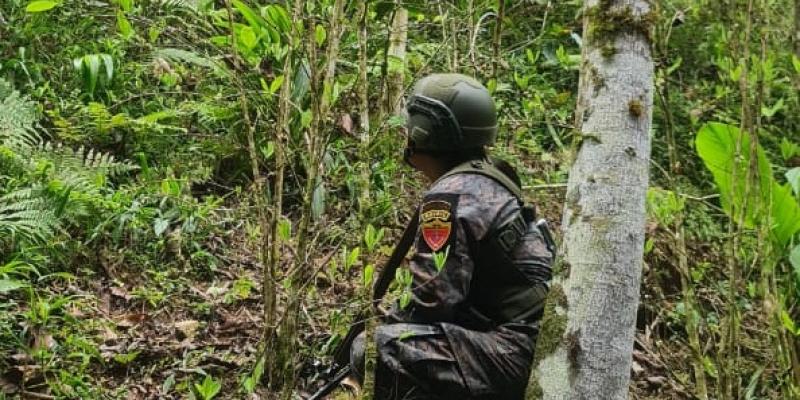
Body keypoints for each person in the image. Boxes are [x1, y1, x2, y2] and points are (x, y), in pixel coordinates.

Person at [349, 73, 554, 400]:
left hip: (514, 352)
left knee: (373, 350)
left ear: (422, 132)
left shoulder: (448, 197)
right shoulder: (491, 176)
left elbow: (431, 302)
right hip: (534, 340)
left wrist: (380, 329)